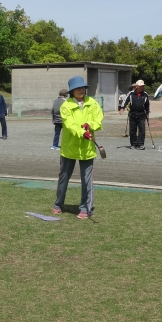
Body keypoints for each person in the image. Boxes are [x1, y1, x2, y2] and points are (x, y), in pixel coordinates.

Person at [52, 76, 103, 219]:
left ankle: (85, 208)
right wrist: (82, 132)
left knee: (87, 180)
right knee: (64, 178)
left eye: (83, 88)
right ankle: (58, 204)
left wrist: (90, 125)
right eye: (78, 88)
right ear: (72, 91)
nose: (81, 90)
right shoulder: (66, 106)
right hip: (69, 148)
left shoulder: (92, 103)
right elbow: (69, 125)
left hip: (87, 149)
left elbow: (98, 119)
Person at [119, 79, 150, 149]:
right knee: (132, 130)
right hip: (132, 114)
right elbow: (125, 100)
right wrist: (122, 108)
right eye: (140, 86)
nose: (142, 87)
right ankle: (133, 144)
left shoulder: (145, 94)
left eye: (143, 86)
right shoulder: (131, 93)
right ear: (137, 86)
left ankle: (140, 144)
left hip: (142, 115)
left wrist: (147, 113)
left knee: (142, 130)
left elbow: (147, 105)